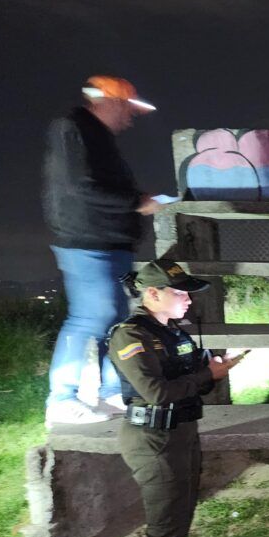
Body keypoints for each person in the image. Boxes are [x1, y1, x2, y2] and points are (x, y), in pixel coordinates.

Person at [108, 259, 243, 537]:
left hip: (181, 433)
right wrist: (210, 377)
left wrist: (210, 367)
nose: (188, 299)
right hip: (152, 439)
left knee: (180, 518)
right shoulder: (130, 335)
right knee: (164, 530)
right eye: (180, 292)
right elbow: (155, 392)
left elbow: (185, 382)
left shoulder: (171, 333)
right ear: (152, 294)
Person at [44, 75, 164, 426]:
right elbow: (80, 187)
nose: (131, 116)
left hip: (109, 242)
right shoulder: (72, 129)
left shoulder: (96, 136)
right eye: (128, 107)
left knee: (115, 319)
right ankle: (63, 399)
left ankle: (112, 392)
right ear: (109, 101)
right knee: (91, 318)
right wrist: (137, 202)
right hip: (87, 241)